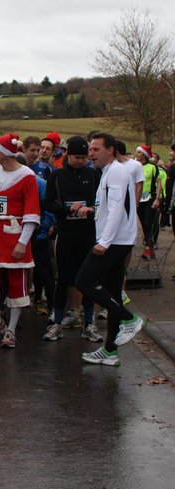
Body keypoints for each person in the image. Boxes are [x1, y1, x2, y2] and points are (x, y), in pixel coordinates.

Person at [78, 133, 145, 365]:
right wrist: (91, 210)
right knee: (113, 292)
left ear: (111, 150)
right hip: (117, 238)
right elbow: (111, 207)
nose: (91, 154)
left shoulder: (116, 171)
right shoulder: (109, 172)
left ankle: (129, 319)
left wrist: (104, 242)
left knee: (83, 280)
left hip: (115, 241)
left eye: (96, 149)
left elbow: (117, 208)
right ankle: (110, 350)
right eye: (90, 149)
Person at [0, 134, 40, 349]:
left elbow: (32, 213)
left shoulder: (28, 176)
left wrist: (23, 242)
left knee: (16, 284)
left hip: (15, 237)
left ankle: (11, 328)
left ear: (5, 153)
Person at [43, 136, 102, 343]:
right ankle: (57, 323)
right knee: (63, 279)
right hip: (66, 234)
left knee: (88, 281)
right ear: (68, 155)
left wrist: (91, 209)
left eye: (84, 157)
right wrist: (67, 209)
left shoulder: (93, 174)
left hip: (87, 234)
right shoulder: (57, 175)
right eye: (77, 157)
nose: (81, 161)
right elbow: (49, 204)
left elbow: (101, 203)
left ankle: (89, 324)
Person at [135, 145, 163, 260]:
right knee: (143, 224)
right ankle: (149, 249)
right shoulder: (136, 167)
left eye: (139, 152)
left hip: (150, 198)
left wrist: (157, 198)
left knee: (148, 223)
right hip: (139, 199)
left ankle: (148, 247)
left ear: (144, 155)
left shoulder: (152, 167)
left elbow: (159, 183)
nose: (136, 154)